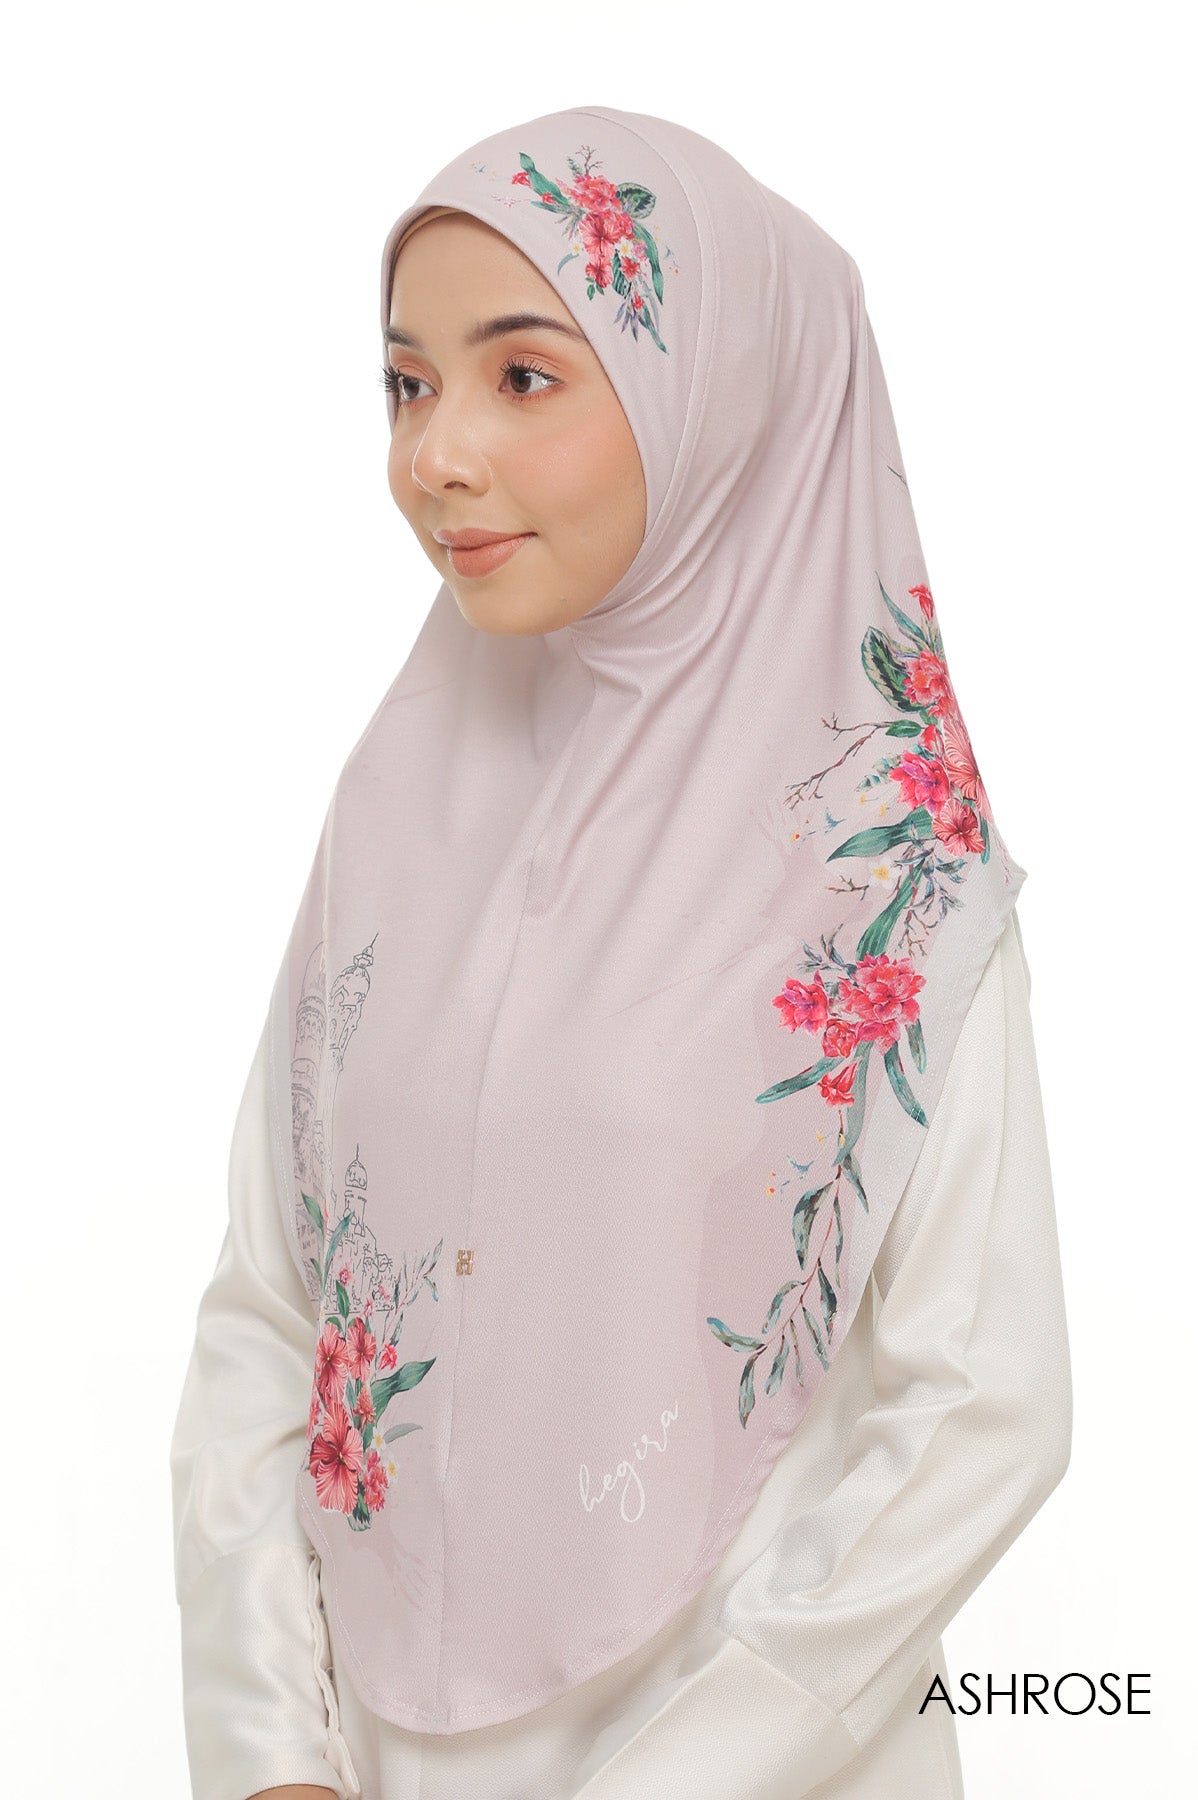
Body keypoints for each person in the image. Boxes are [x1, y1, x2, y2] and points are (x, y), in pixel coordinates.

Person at [169, 105, 1072, 1800]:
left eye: (524, 376)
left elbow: (984, 1405)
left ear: (717, 396)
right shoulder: (400, 810)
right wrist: (270, 1752)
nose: (436, 455)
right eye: (407, 383)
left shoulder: (887, 870)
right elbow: (274, 1306)